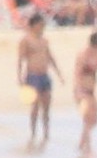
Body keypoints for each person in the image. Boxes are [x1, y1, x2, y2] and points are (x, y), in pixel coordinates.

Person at [17, 13, 63, 149]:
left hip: (45, 75)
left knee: (47, 107)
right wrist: (20, 77)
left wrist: (58, 73)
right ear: (34, 25)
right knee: (35, 107)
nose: (43, 27)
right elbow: (21, 59)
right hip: (32, 76)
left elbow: (50, 56)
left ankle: (46, 133)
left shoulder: (44, 40)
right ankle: (33, 132)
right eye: (41, 25)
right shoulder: (25, 40)